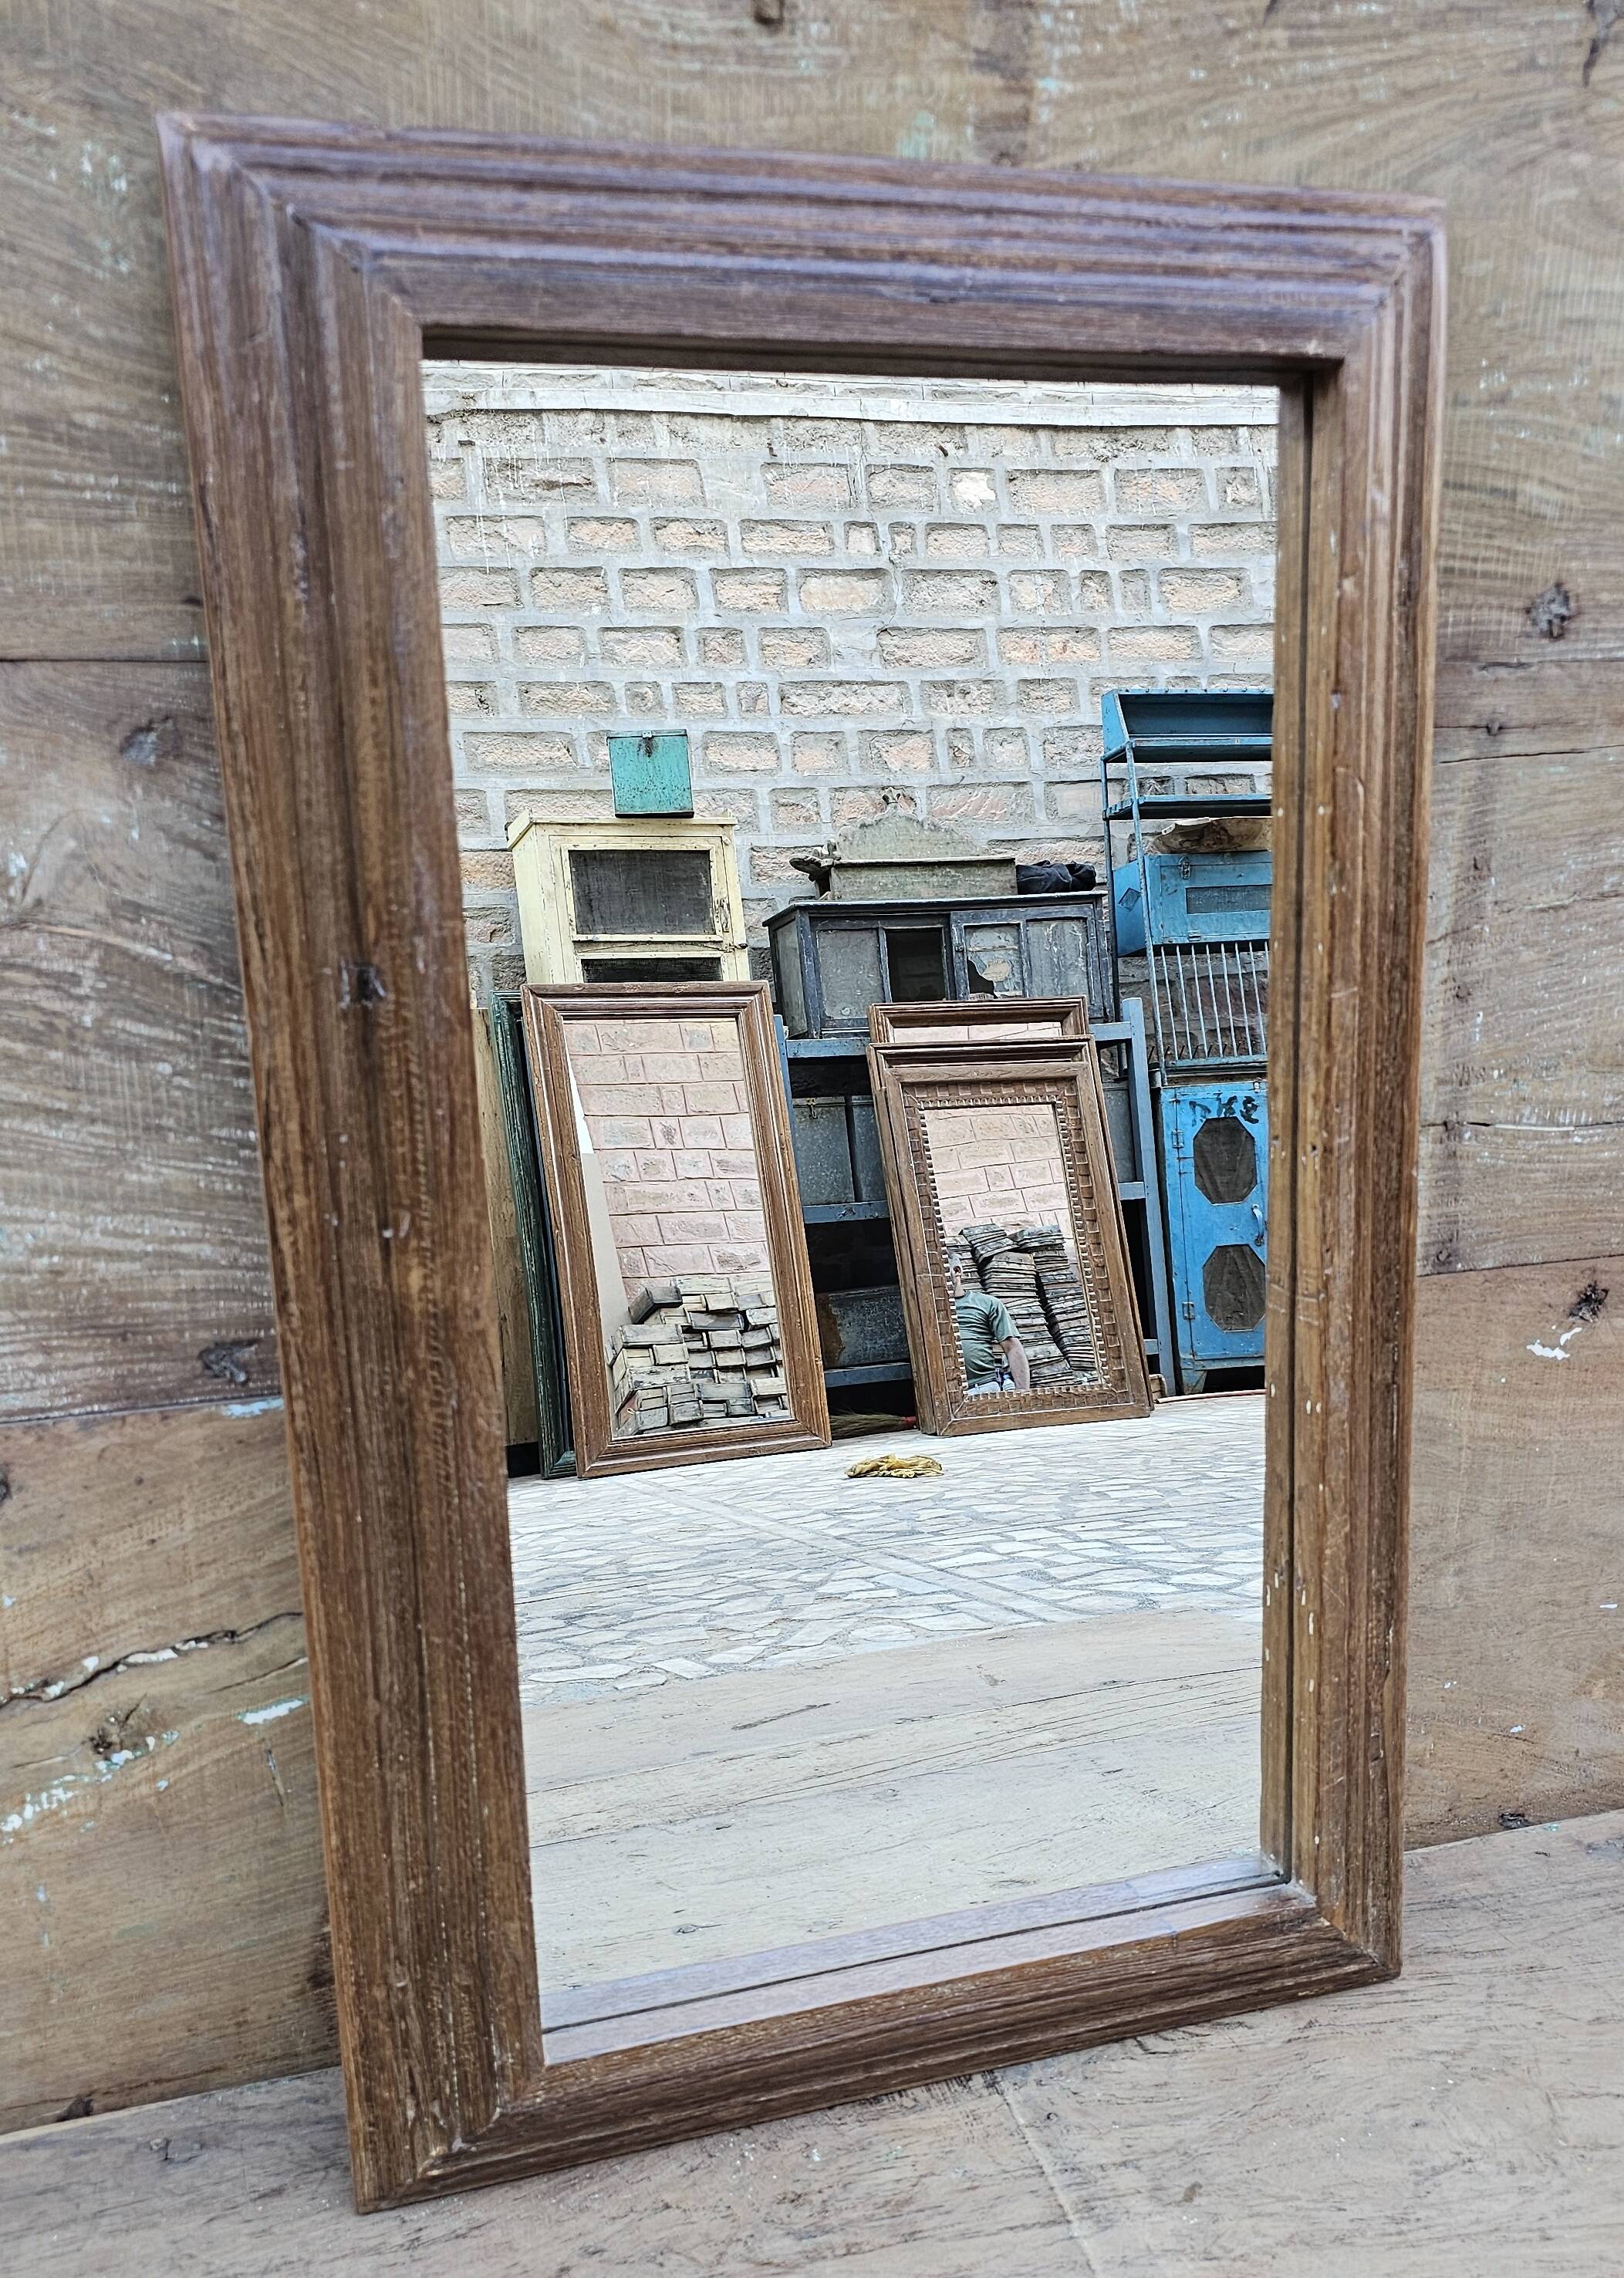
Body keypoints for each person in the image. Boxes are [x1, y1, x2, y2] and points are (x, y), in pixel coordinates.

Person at [947, 1254, 1030, 1395]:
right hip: (944, 1393)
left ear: (956, 1271)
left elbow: (1012, 1347)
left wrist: (1023, 1395)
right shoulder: (926, 1311)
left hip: (983, 1388)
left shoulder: (986, 1303)